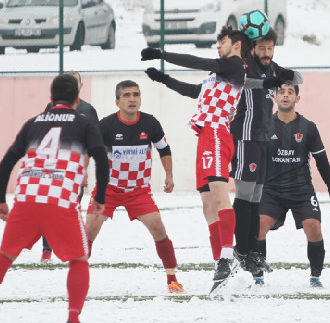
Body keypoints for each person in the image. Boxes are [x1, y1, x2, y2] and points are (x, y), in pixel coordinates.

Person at [0, 74, 110, 323]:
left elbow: (7, 161)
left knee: (4, 255)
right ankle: (73, 317)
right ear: (77, 98)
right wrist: (99, 196)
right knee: (79, 259)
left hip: (27, 200)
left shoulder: (33, 123)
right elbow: (102, 160)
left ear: (51, 97)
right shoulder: (84, 123)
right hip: (60, 201)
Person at [141, 25, 249, 294]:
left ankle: (227, 256)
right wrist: (163, 79)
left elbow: (196, 62)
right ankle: (221, 262)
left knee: (220, 196)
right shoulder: (218, 75)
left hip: (215, 132)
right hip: (205, 136)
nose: (218, 46)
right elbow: (194, 91)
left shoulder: (235, 66)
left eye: (222, 41)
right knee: (207, 205)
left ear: (236, 45)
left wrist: (162, 54)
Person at [84, 79, 184, 294]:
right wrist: (82, 173)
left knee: (159, 228)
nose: (132, 99)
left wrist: (169, 175)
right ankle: (78, 277)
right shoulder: (106, 125)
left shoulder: (150, 123)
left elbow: (164, 149)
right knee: (89, 231)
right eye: (127, 95)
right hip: (107, 190)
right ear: (117, 101)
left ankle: (172, 280)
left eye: (136, 95)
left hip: (138, 191)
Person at [229, 28, 302, 280]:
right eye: (262, 47)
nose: (266, 52)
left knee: (257, 196)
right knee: (244, 193)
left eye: (270, 48)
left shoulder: (273, 68)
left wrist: (289, 75)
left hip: (261, 138)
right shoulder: (244, 66)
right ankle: (241, 249)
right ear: (252, 47)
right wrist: (265, 82)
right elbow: (240, 81)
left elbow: (297, 79)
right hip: (244, 136)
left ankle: (252, 253)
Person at [256, 83, 330, 288]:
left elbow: (321, 160)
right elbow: (252, 157)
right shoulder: (264, 125)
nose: (286, 96)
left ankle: (315, 278)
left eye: (290, 92)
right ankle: (258, 277)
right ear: (275, 97)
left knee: (314, 228)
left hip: (301, 190)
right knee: (258, 227)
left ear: (297, 98)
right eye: (282, 92)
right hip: (271, 190)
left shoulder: (308, 127)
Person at [41, 70, 98, 263]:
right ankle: (47, 250)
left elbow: (93, 142)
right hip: (54, 167)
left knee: (72, 208)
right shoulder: (51, 108)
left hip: (75, 169)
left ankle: (73, 249)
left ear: (81, 86)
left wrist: (85, 169)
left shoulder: (88, 110)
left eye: (75, 82)